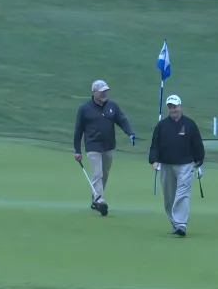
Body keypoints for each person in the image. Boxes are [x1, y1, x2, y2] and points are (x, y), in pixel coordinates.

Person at [73, 79, 136, 216]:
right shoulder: (84, 109)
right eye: (101, 92)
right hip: (92, 145)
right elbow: (78, 130)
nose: (104, 94)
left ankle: (95, 198)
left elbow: (121, 120)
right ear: (94, 93)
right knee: (97, 173)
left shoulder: (112, 106)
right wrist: (77, 150)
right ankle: (99, 199)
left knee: (104, 174)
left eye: (106, 91)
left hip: (108, 146)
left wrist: (130, 133)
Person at [149, 94, 205, 236]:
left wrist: (199, 162)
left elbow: (197, 144)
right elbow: (155, 145)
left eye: (175, 106)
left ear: (180, 106)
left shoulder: (190, 124)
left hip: (185, 164)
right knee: (169, 197)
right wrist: (154, 160)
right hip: (166, 164)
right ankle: (175, 223)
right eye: (170, 107)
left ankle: (181, 223)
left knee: (182, 194)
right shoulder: (161, 125)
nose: (173, 109)